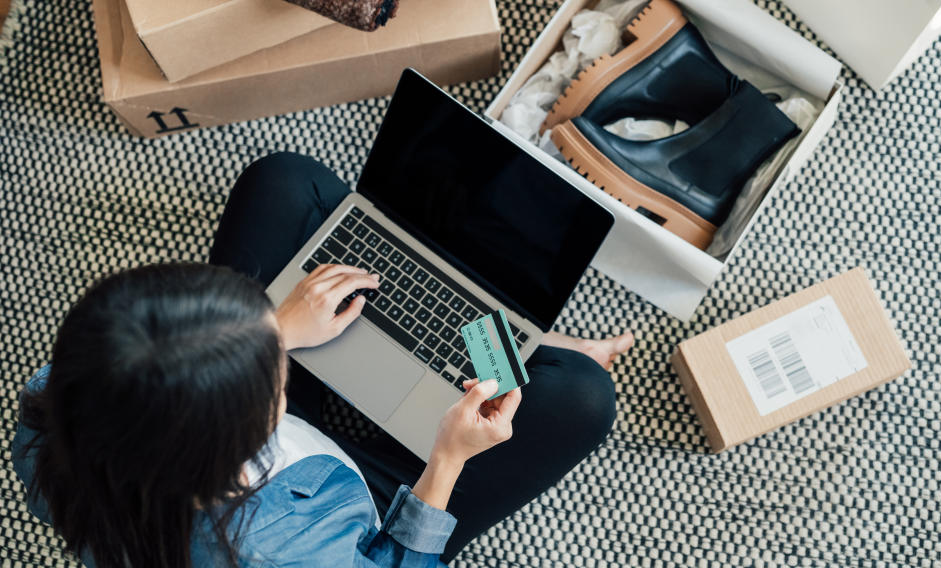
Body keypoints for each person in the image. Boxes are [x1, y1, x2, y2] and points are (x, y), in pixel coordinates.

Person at [12, 152, 634, 568]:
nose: (275, 339)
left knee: (282, 179)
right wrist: (446, 460)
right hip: (363, 494)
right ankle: (531, 344)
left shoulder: (49, 419)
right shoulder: (282, 553)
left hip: (224, 436)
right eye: (271, 369)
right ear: (232, 453)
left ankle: (506, 329)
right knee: (581, 397)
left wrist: (276, 328)